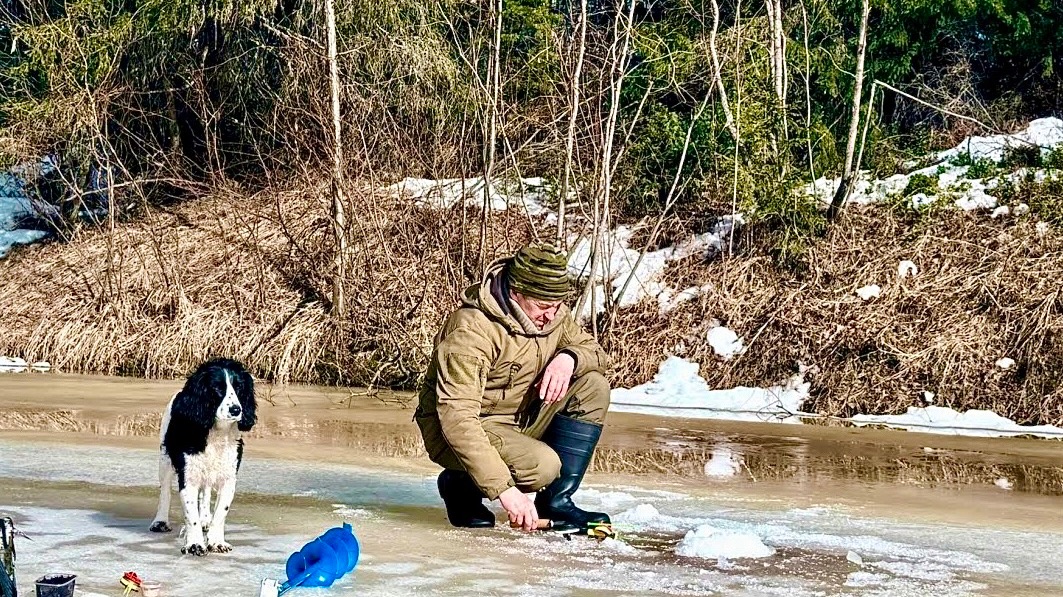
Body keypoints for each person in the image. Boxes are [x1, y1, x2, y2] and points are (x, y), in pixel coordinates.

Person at [414, 242, 613, 532]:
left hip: (519, 419)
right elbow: (457, 419)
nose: (551, 315)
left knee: (594, 386)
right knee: (542, 466)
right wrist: (505, 490)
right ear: (516, 293)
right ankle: (461, 484)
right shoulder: (471, 330)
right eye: (543, 307)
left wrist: (569, 358)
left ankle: (555, 502)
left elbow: (595, 352)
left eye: (557, 306)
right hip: (460, 429)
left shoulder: (553, 315)